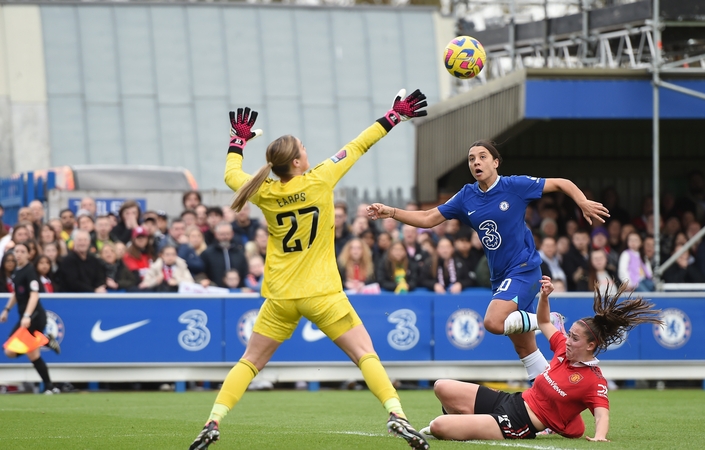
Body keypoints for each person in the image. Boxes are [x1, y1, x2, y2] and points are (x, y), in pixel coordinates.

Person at [189, 93, 430, 450]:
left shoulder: (265, 191)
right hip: (322, 293)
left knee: (250, 361)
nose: (307, 151)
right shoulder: (320, 179)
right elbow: (359, 145)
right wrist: (395, 116)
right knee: (365, 354)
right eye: (304, 148)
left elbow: (231, 175)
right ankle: (397, 414)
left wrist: (237, 141)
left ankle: (213, 420)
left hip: (280, 296)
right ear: (299, 161)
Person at [368, 140, 608, 383]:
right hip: (500, 277)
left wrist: (582, 201)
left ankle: (546, 321)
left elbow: (561, 183)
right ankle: (548, 403)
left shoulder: (514, 185)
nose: (476, 162)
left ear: (495, 163)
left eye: (482, 157)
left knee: (494, 322)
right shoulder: (466, 196)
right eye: (472, 159)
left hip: (523, 269)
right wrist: (392, 212)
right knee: (525, 350)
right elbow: (429, 217)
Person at [420, 275, 662, 442]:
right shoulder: (561, 348)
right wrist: (544, 296)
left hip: (519, 422)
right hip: (512, 400)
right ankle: (471, 422)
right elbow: (545, 322)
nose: (567, 340)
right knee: (442, 386)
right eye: (568, 334)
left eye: (574, 338)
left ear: (591, 345)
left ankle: (469, 424)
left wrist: (600, 436)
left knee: (439, 426)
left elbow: (602, 413)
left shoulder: (593, 380)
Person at [0, 243, 62, 394]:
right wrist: (7, 310)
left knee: (10, 350)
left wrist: (27, 316)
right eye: (17, 251)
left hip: (34, 317)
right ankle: (50, 387)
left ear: (29, 254)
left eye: (22, 251)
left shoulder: (29, 272)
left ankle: (46, 340)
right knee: (31, 354)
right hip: (26, 317)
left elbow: (34, 295)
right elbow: (16, 294)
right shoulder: (16, 272)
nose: (19, 254)